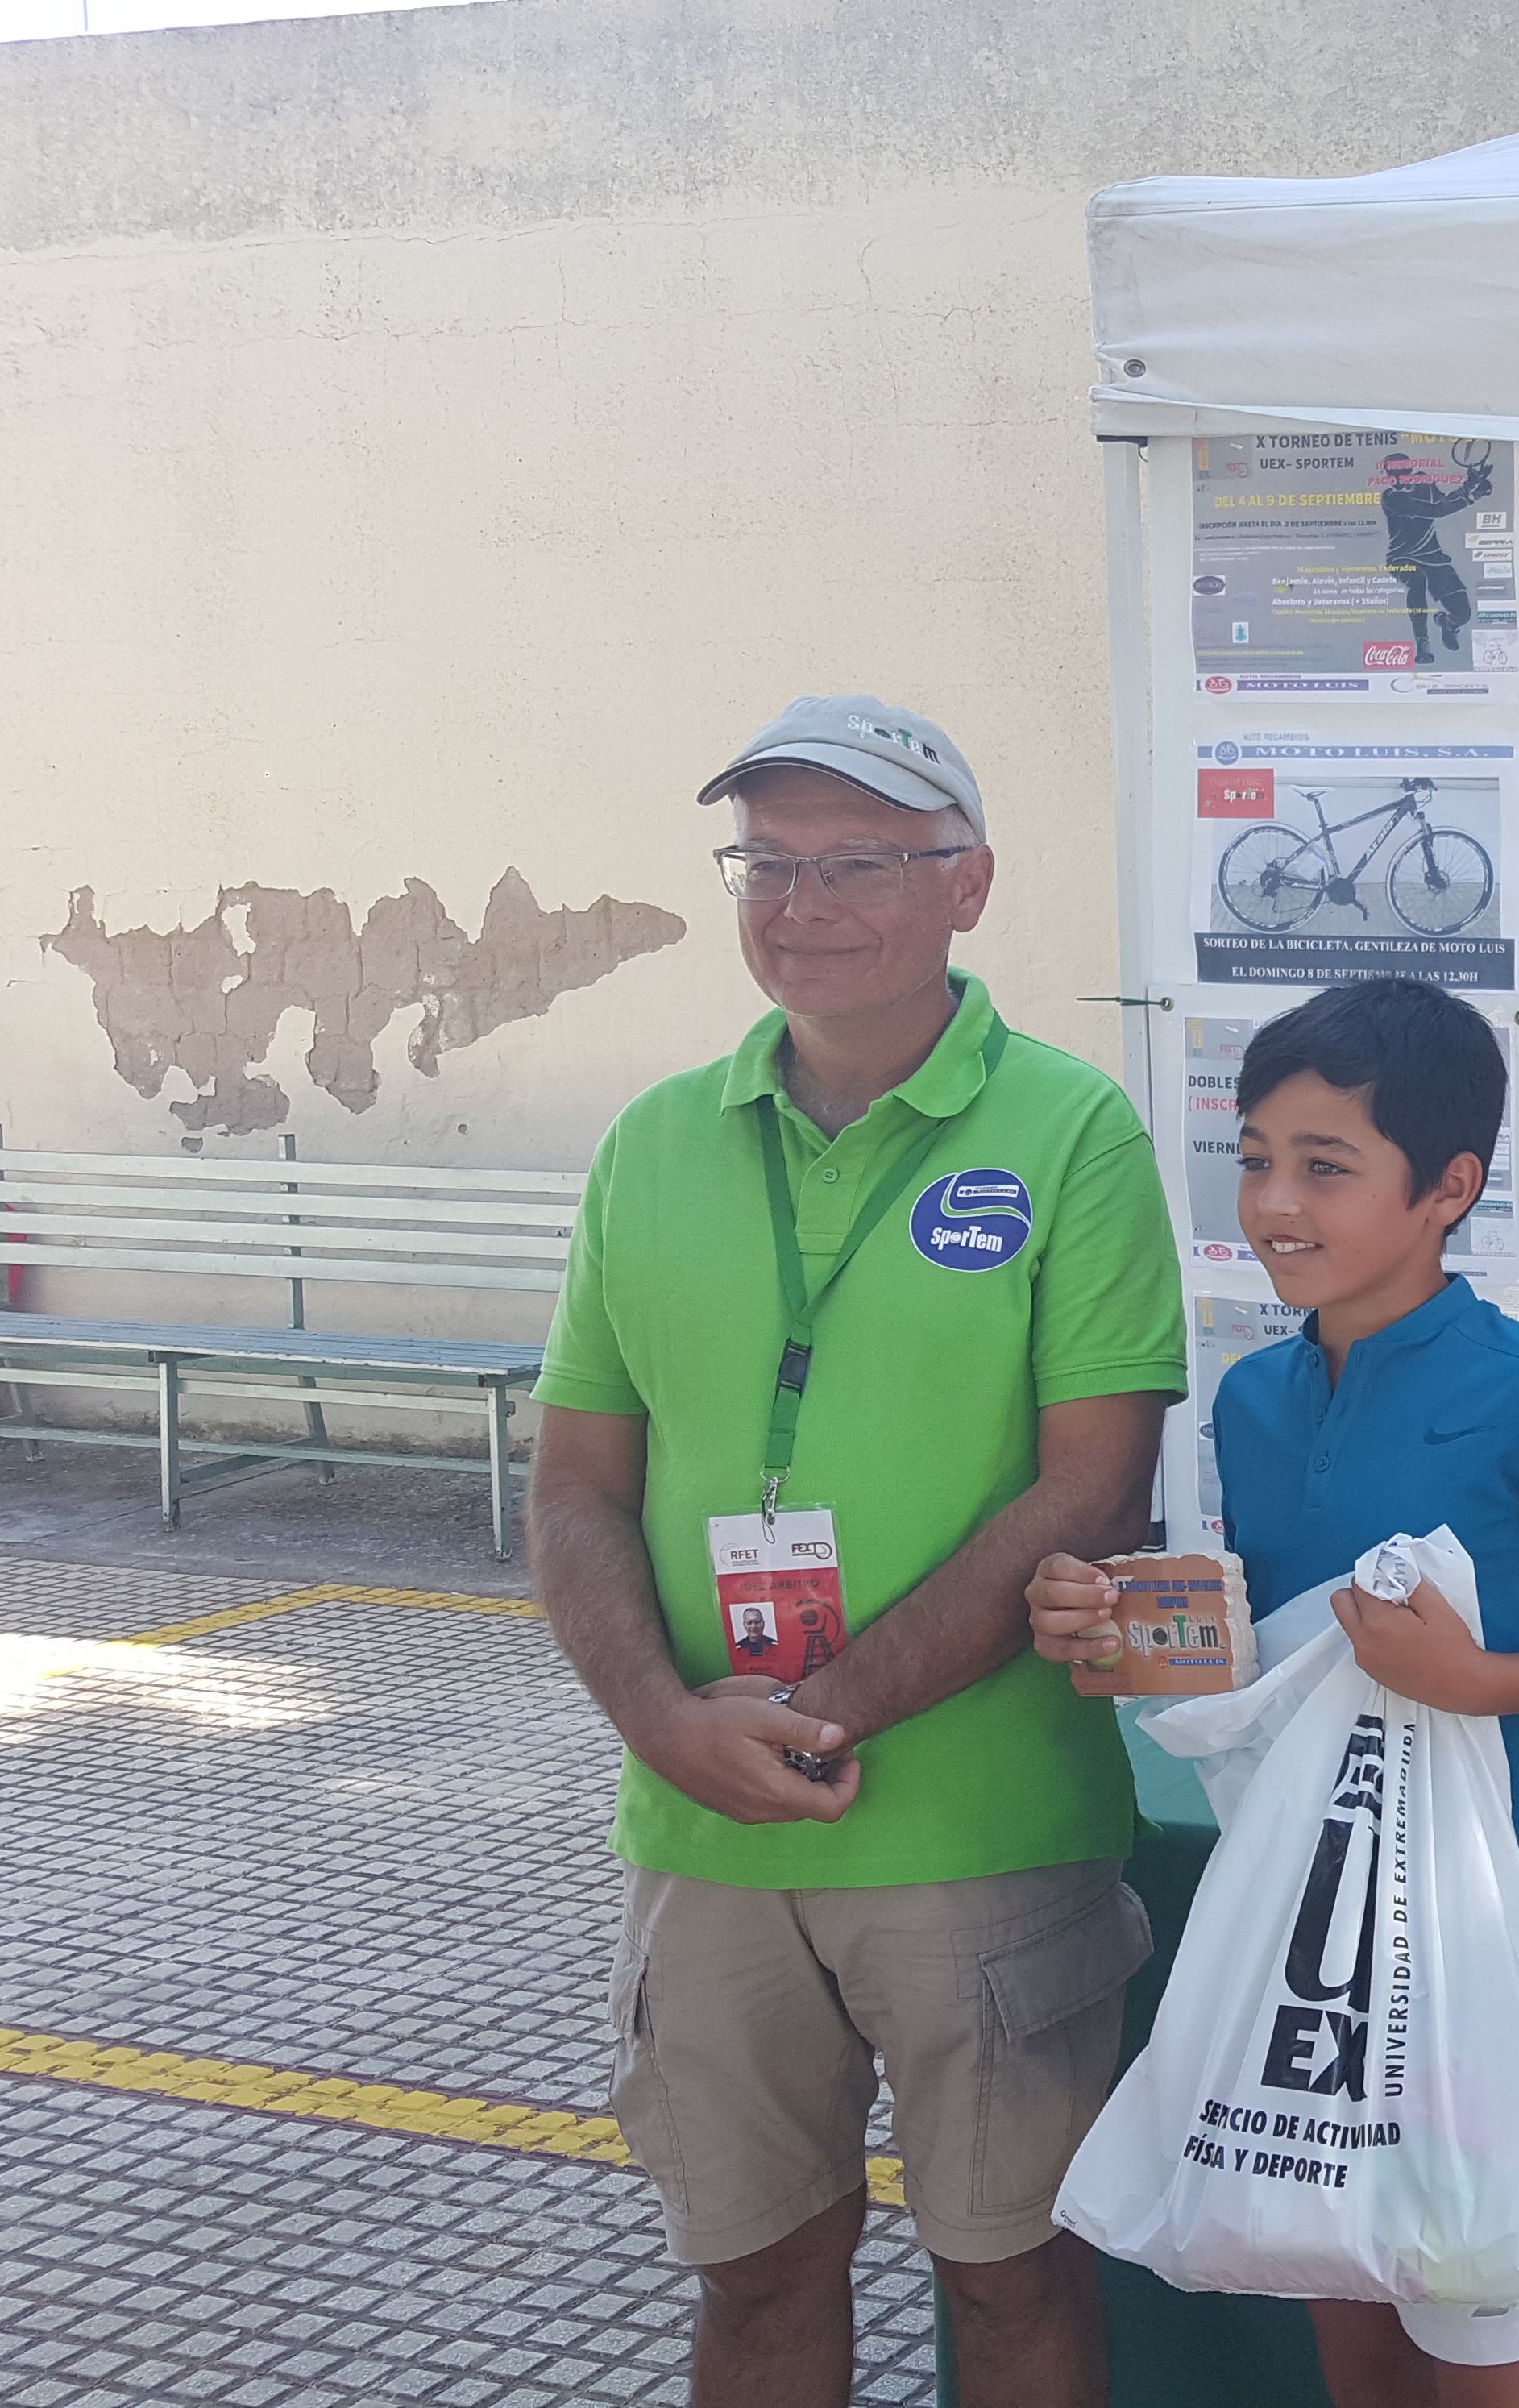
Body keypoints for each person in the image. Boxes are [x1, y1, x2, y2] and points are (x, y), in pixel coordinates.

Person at [532, 695, 1185, 2408]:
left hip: (982, 1833)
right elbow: (576, 1484)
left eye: (860, 863)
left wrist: (820, 1710)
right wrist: (664, 1725)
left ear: (969, 884)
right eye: (768, 862)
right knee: (752, 2279)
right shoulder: (653, 1142)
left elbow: (1095, 1492)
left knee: (1012, 2284)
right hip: (703, 1832)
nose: (802, 904)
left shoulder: (1072, 1134)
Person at [1030, 977, 1519, 2407]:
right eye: (1256, 1159)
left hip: (1499, 1952)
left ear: (1449, 1188)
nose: (1276, 1203)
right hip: (1316, 1961)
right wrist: (1118, 1627)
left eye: (1326, 1166)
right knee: (1356, 2332)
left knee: (1495, 2358)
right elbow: (1291, 1662)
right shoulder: (1255, 1400)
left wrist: (1479, 1680)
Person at [1377, 450, 1496, 664]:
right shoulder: (1391, 497)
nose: (1395, 477)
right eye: (1390, 473)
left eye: (1400, 471)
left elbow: (1443, 502)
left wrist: (1469, 486)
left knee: (1463, 614)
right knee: (1417, 582)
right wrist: (1472, 495)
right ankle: (1423, 643)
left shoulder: (1424, 482)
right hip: (1402, 557)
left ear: (1409, 470)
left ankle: (1447, 624)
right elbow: (1435, 511)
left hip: (1434, 558)